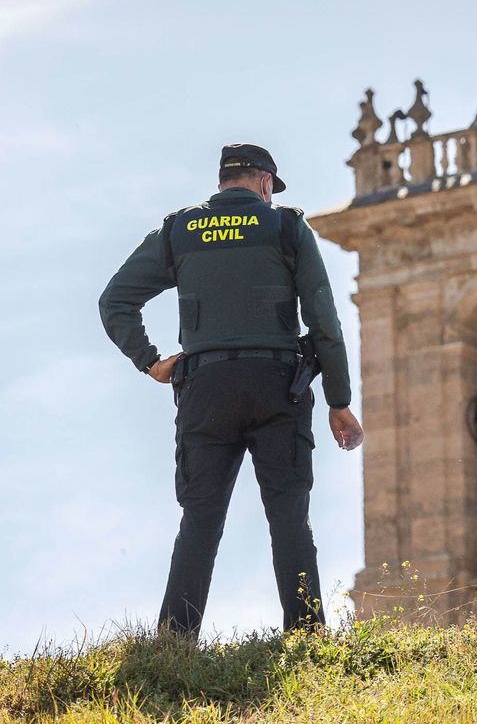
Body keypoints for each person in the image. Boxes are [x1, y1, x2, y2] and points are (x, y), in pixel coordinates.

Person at [98, 144, 363, 636]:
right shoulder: (285, 226)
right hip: (277, 387)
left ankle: (175, 638)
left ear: (224, 180)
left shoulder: (179, 230)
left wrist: (151, 361)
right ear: (264, 181)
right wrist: (339, 400)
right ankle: (307, 633)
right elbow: (323, 319)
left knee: (200, 517)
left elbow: (114, 300)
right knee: (289, 515)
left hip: (205, 388)